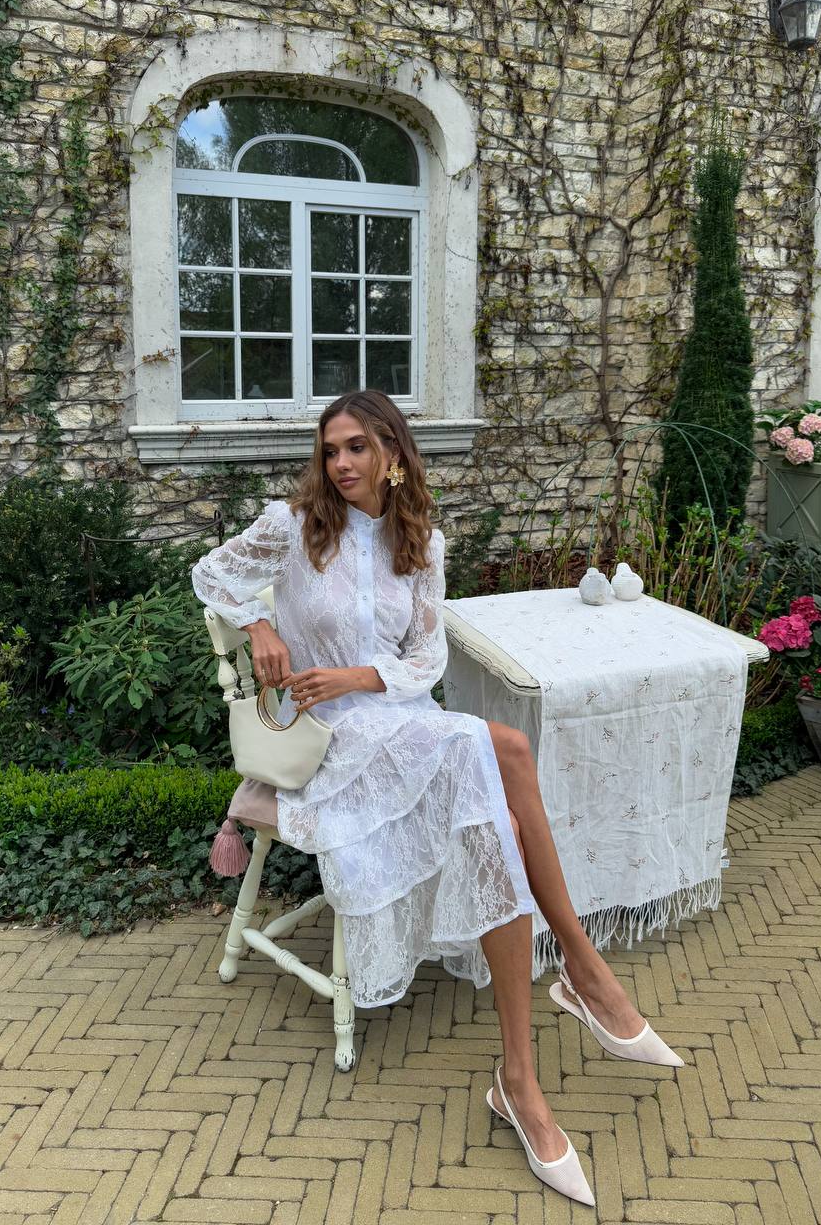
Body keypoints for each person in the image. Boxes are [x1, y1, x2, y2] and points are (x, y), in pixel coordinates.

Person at [191, 389, 683, 1207]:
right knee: (494, 751)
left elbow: (424, 663)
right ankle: (580, 981)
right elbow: (211, 574)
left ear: (393, 450)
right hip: (328, 740)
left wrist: (358, 673)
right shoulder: (290, 525)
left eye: (355, 447)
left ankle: (527, 1069)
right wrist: (259, 627)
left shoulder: (421, 542)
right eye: (330, 451)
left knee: (494, 759)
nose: (341, 464)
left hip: (396, 718)